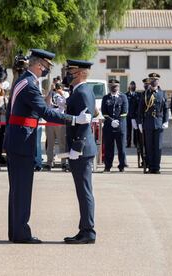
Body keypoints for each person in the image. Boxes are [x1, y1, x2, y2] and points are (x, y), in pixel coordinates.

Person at [4, 49, 91, 243]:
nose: (46, 71)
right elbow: (45, 112)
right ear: (38, 65)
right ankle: (21, 233)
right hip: (22, 140)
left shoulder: (24, 80)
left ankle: (15, 231)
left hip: (17, 138)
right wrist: (74, 119)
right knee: (22, 189)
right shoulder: (29, 85)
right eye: (45, 67)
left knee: (17, 189)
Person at [62, 59, 96, 244]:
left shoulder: (82, 91)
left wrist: (77, 147)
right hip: (80, 148)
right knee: (83, 191)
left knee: (84, 191)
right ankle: (84, 229)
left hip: (81, 149)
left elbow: (85, 121)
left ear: (81, 73)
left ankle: (88, 231)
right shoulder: (80, 91)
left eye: (72, 72)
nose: (68, 75)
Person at [137, 73, 168, 174]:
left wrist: (166, 121)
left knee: (158, 147)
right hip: (148, 123)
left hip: (158, 123)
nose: (153, 81)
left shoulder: (163, 93)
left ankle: (157, 167)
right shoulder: (145, 93)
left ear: (158, 81)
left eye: (155, 80)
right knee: (149, 146)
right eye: (152, 80)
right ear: (149, 81)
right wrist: (140, 123)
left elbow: (165, 109)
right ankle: (150, 166)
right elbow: (140, 110)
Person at [101, 79, 128, 172]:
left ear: (118, 87)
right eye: (112, 86)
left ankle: (122, 166)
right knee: (109, 148)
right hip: (108, 126)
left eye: (116, 86)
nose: (114, 88)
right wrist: (111, 121)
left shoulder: (123, 97)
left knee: (121, 148)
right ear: (109, 87)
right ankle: (107, 166)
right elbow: (104, 112)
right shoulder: (105, 98)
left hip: (120, 127)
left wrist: (118, 121)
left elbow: (125, 112)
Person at [44, 82, 69, 171]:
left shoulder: (65, 94)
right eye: (56, 87)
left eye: (58, 87)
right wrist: (51, 91)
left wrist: (61, 93)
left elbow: (68, 105)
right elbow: (46, 102)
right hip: (50, 121)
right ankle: (49, 162)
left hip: (60, 121)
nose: (57, 88)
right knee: (50, 144)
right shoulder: (51, 93)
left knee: (62, 144)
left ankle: (63, 162)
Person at [125, 81, 140, 148]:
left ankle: (136, 143)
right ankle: (128, 143)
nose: (132, 86)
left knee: (136, 130)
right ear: (129, 87)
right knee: (128, 130)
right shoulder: (126, 95)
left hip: (135, 116)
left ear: (135, 87)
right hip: (128, 116)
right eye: (131, 85)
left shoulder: (139, 95)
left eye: (133, 85)